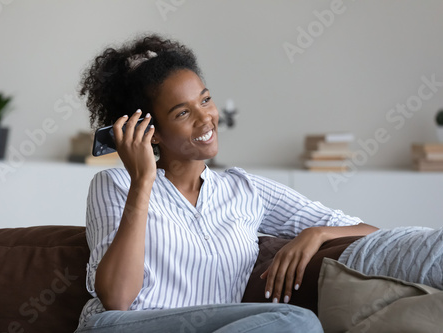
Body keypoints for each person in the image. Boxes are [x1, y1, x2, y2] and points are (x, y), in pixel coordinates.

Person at [75, 34, 442, 332]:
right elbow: (118, 299)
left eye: (205, 100)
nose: (206, 119)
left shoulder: (245, 190)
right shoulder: (115, 185)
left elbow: (369, 232)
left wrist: (316, 234)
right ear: (150, 131)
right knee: (295, 322)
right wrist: (142, 182)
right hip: (122, 326)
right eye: (183, 112)